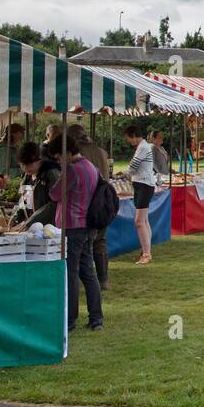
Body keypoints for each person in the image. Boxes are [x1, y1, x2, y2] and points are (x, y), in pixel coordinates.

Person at [48, 137, 103, 332]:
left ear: (66, 153)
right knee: (88, 273)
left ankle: (70, 320)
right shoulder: (90, 166)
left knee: (70, 274)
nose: (58, 162)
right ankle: (96, 318)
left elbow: (54, 195)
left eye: (58, 158)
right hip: (87, 225)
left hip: (72, 226)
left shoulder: (71, 170)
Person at [67, 124, 112, 291]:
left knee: (84, 246)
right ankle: (103, 279)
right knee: (100, 241)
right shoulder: (100, 151)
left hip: (84, 205)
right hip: (103, 202)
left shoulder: (78, 155)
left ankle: (81, 280)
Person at [124, 124, 156, 263]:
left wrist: (124, 174)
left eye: (128, 138)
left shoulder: (143, 147)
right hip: (141, 185)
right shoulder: (142, 147)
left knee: (139, 221)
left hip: (144, 185)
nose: (127, 141)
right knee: (144, 220)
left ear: (134, 136)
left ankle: (146, 254)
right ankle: (146, 250)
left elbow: (134, 165)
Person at [17, 142, 61, 229]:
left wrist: (31, 221)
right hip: (32, 226)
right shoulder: (27, 176)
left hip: (50, 227)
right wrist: (17, 217)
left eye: (29, 164)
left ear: (39, 160)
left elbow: (54, 203)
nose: (26, 168)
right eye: (22, 165)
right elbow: (25, 201)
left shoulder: (51, 174)